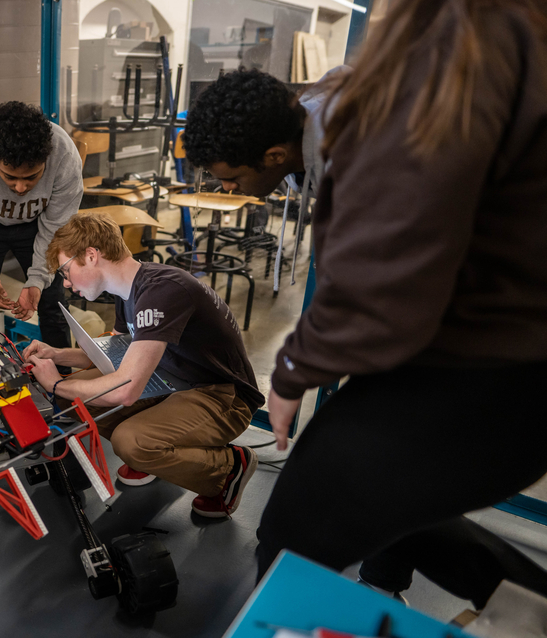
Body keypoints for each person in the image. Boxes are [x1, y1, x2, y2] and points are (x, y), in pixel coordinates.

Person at [255, 0, 547, 610]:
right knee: (396, 514)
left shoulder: (468, 33)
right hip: (504, 366)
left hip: (480, 367)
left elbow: (387, 257)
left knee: (290, 541)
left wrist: (294, 372)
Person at [23, 213, 265, 517]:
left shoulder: (162, 291)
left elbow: (125, 390)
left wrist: (55, 383)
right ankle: (153, 455)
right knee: (77, 399)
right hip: (172, 378)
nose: (68, 283)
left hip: (223, 396)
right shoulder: (131, 290)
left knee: (131, 441)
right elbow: (118, 349)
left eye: (66, 271)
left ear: (91, 256)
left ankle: (229, 469)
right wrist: (58, 355)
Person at [0, 100, 82, 350]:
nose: (20, 188)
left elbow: (56, 229)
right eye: (9, 176)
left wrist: (37, 280)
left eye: (32, 177)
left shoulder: (65, 157)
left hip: (40, 224)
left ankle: (62, 380)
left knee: (52, 302)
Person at [181, 66, 348, 202]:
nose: (227, 188)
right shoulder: (293, 136)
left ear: (275, 156)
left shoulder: (353, 169)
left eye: (233, 179)